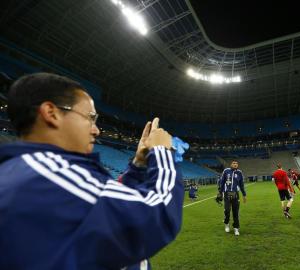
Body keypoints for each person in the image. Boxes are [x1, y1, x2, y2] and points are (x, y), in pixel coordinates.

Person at [0, 73, 184, 269]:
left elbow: (106, 206)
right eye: (90, 118)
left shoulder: (29, 171)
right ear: (51, 113)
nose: (96, 130)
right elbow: (156, 215)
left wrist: (138, 164)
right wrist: (162, 152)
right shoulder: (48, 175)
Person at [218, 160, 247, 236]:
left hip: (235, 194)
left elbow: (241, 185)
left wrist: (244, 195)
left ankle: (236, 228)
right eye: (234, 163)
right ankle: (226, 223)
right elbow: (222, 182)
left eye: (236, 163)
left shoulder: (239, 173)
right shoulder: (226, 171)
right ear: (231, 164)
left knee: (236, 212)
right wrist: (220, 192)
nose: (235, 164)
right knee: (227, 210)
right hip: (227, 193)